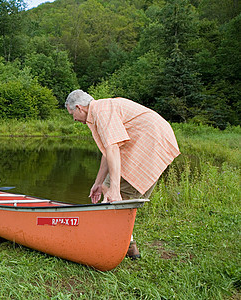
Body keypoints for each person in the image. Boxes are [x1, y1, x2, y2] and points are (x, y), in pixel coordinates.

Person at [65, 89, 180, 259]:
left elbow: (112, 148)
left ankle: (121, 246)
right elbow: (108, 151)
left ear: (80, 108)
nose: (73, 118)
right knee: (107, 187)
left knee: (121, 196)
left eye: (72, 113)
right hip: (149, 140)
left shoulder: (102, 112)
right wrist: (98, 183)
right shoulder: (100, 110)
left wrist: (115, 189)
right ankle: (127, 245)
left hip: (150, 141)